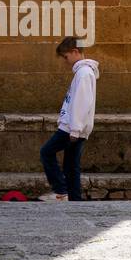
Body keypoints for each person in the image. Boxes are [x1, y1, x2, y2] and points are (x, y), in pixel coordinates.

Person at [39, 37, 99, 201]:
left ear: (75, 52)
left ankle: (60, 192)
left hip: (71, 128)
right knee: (71, 166)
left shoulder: (84, 73)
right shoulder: (83, 73)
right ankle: (75, 200)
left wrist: (75, 129)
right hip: (75, 127)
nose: (66, 62)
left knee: (46, 152)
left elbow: (81, 102)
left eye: (66, 57)